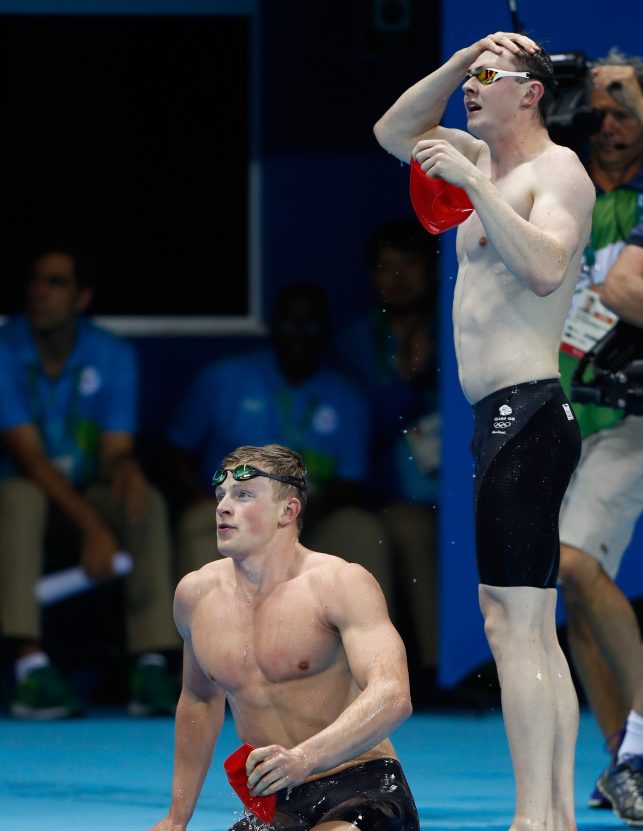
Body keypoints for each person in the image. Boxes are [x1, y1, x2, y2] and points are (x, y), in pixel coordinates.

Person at [374, 31, 595, 831]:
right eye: (470, 78)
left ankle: (534, 829)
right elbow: (394, 134)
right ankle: (556, 828)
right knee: (527, 628)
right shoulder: (478, 156)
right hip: (501, 417)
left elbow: (544, 267)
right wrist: (465, 52)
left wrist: (471, 182)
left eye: (488, 78)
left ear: (532, 92)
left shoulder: (556, 171)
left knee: (515, 625)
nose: (471, 89)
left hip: (529, 410)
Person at [116, 444, 418, 831]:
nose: (223, 506)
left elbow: (393, 695)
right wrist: (177, 818)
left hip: (366, 789)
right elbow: (199, 700)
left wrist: (305, 758)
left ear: (287, 510)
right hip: (278, 800)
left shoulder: (339, 583)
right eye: (221, 494)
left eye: (243, 495)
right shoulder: (195, 596)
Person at [0, 246, 180, 719]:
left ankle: (150, 663)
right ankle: (29, 668)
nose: (39, 291)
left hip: (83, 496)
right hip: (22, 504)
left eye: (55, 282)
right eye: (35, 279)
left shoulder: (112, 355)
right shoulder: (4, 349)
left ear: (82, 298)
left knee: (146, 499)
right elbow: (31, 460)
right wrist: (92, 529)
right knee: (20, 498)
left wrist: (125, 468)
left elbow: (114, 450)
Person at [167, 282, 394, 605]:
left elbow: (350, 484)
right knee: (198, 521)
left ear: (326, 331)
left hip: (309, 519)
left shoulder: (348, 396)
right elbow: (176, 450)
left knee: (362, 528)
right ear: (272, 328)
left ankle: (367, 648)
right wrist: (201, 497)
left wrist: (289, 519)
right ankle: (209, 647)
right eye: (289, 323)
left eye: (310, 324)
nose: (299, 334)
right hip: (233, 510)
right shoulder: (223, 378)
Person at [557, 54, 643, 826]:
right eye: (592, 109)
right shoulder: (564, 187)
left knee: (575, 563)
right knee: (574, 593)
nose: (606, 123)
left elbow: (624, 291)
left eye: (621, 106)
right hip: (564, 408)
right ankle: (623, 759)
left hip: (630, 414)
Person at [331, 219, 441, 684]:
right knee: (404, 531)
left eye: (410, 265)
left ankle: (456, 671)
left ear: (431, 270)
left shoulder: (459, 325)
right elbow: (353, 431)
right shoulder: (353, 343)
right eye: (386, 268)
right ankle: (411, 674)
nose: (398, 278)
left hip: (460, 483)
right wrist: (406, 383)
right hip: (389, 493)